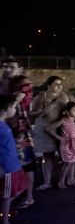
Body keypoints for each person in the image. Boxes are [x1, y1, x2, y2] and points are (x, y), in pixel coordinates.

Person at [30, 76, 75, 190]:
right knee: (48, 155)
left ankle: (70, 179)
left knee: (70, 156)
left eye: (60, 84)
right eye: (56, 84)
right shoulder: (42, 96)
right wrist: (45, 110)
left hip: (63, 128)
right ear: (48, 85)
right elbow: (32, 113)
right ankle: (46, 182)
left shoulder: (66, 96)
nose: (59, 86)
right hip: (46, 127)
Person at [0, 57, 35, 208]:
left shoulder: (23, 83)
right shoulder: (3, 83)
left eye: (11, 66)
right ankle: (10, 195)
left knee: (25, 162)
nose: (7, 69)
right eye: (5, 66)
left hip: (19, 130)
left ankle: (28, 196)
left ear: (20, 69)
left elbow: (15, 100)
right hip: (4, 128)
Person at [0, 94, 29, 224]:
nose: (15, 109)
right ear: (6, 108)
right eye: (13, 106)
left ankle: (4, 209)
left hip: (14, 165)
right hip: (7, 168)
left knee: (23, 185)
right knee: (6, 196)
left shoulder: (3, 123)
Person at [48, 102, 75, 189]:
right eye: (73, 110)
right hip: (67, 145)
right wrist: (59, 137)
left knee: (73, 162)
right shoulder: (64, 120)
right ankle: (61, 181)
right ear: (67, 111)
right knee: (67, 163)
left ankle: (70, 180)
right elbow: (50, 129)